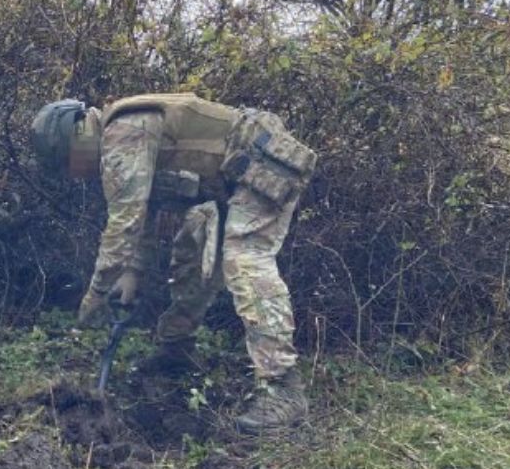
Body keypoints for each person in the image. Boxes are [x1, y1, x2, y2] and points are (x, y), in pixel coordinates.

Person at [30, 93, 317, 433]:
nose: (74, 175)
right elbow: (147, 208)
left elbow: (126, 221)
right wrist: (133, 273)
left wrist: (94, 297)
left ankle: (282, 386)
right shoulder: (121, 139)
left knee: (245, 258)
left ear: (74, 138)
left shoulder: (122, 132)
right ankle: (176, 349)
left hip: (263, 163)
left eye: (67, 165)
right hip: (229, 182)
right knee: (191, 249)